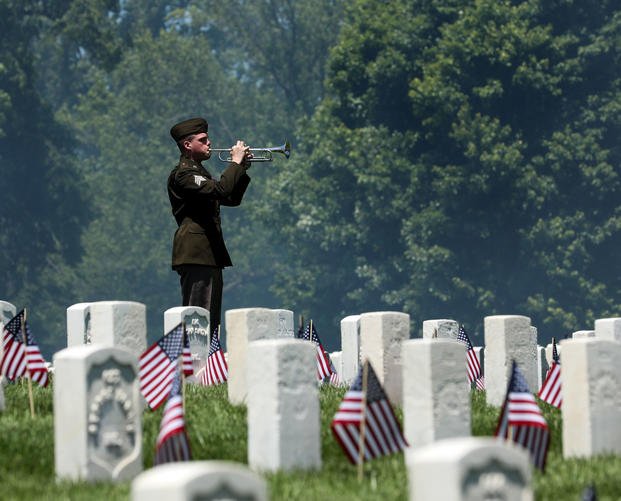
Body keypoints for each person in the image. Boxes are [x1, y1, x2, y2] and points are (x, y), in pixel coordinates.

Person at [167, 117, 252, 330]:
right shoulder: (184, 174)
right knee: (198, 318)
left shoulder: (199, 173)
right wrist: (235, 163)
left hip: (208, 253)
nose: (209, 143)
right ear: (188, 145)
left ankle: (208, 360)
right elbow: (221, 190)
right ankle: (197, 362)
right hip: (196, 253)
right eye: (203, 140)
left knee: (211, 319)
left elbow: (231, 199)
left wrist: (241, 169)